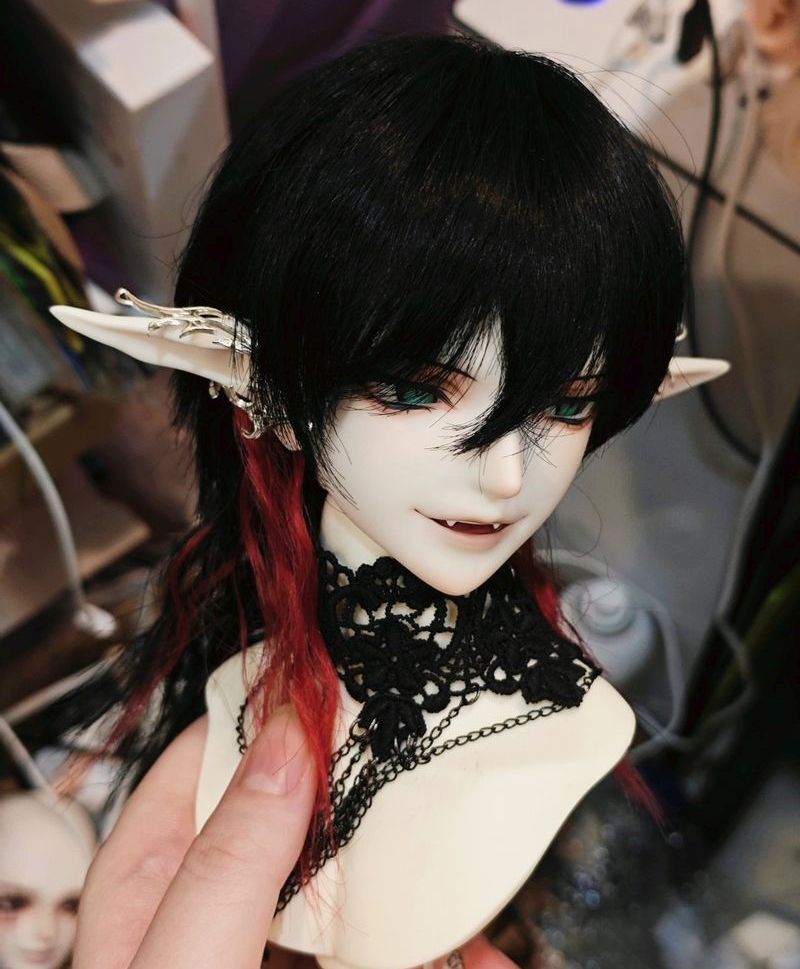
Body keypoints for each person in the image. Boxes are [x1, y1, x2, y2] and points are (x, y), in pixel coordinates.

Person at [50, 33, 727, 969]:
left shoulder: (565, 723)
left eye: (568, 405)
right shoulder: (229, 710)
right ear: (264, 390)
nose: (506, 476)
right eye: (415, 389)